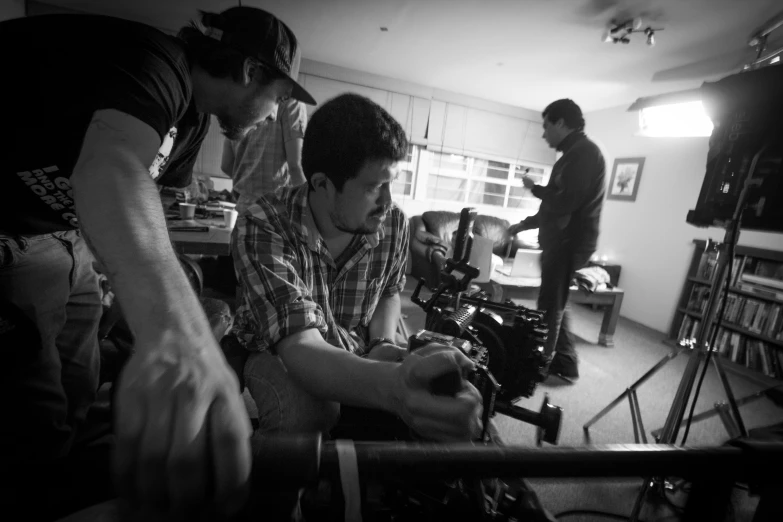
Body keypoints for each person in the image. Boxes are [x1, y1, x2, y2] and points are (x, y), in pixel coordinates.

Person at [0, 6, 315, 519]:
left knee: (81, 381)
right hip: (13, 234)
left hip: (68, 239)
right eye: (278, 97)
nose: (276, 113)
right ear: (250, 71)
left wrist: (127, 280)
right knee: (34, 421)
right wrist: (179, 334)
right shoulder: (157, 63)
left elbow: (152, 209)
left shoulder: (190, 127)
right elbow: (112, 167)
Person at [230, 93, 483, 441]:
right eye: (375, 187)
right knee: (308, 415)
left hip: (359, 339)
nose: (389, 202)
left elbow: (390, 293)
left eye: (392, 183)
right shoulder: (262, 224)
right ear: (321, 184)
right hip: (277, 347)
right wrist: (395, 388)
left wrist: (381, 340)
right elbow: (301, 348)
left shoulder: (394, 223)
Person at [508, 99, 606, 379]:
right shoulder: (572, 154)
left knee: (550, 305)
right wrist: (523, 225)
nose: (543, 133)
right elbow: (553, 206)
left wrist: (533, 188)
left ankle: (544, 363)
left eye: (546, 125)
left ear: (561, 123)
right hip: (559, 241)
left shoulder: (584, 154)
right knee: (554, 301)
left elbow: (565, 203)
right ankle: (565, 361)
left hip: (568, 243)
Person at [222, 98, 308, 213]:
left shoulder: (240, 99)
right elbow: (296, 165)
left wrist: (248, 186)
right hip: (275, 211)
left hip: (243, 207)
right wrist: (307, 209)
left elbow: (226, 165)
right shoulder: (293, 102)